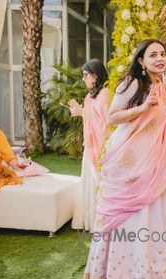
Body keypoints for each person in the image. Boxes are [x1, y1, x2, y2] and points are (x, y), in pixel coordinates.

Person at [81, 39, 166, 279]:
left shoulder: (160, 84)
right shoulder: (133, 83)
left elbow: (158, 121)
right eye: (153, 55)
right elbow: (112, 117)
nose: (160, 58)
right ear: (141, 61)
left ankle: (144, 278)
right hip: (128, 160)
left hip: (152, 162)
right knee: (128, 219)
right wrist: (142, 107)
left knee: (147, 219)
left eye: (162, 54)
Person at [69, 59, 110, 231]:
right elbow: (90, 116)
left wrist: (82, 112)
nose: (84, 79)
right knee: (89, 180)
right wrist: (81, 112)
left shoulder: (106, 93)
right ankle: (89, 219)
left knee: (99, 181)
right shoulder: (89, 96)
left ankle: (102, 220)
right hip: (90, 145)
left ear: (96, 75)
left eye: (86, 75)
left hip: (101, 147)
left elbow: (107, 121)